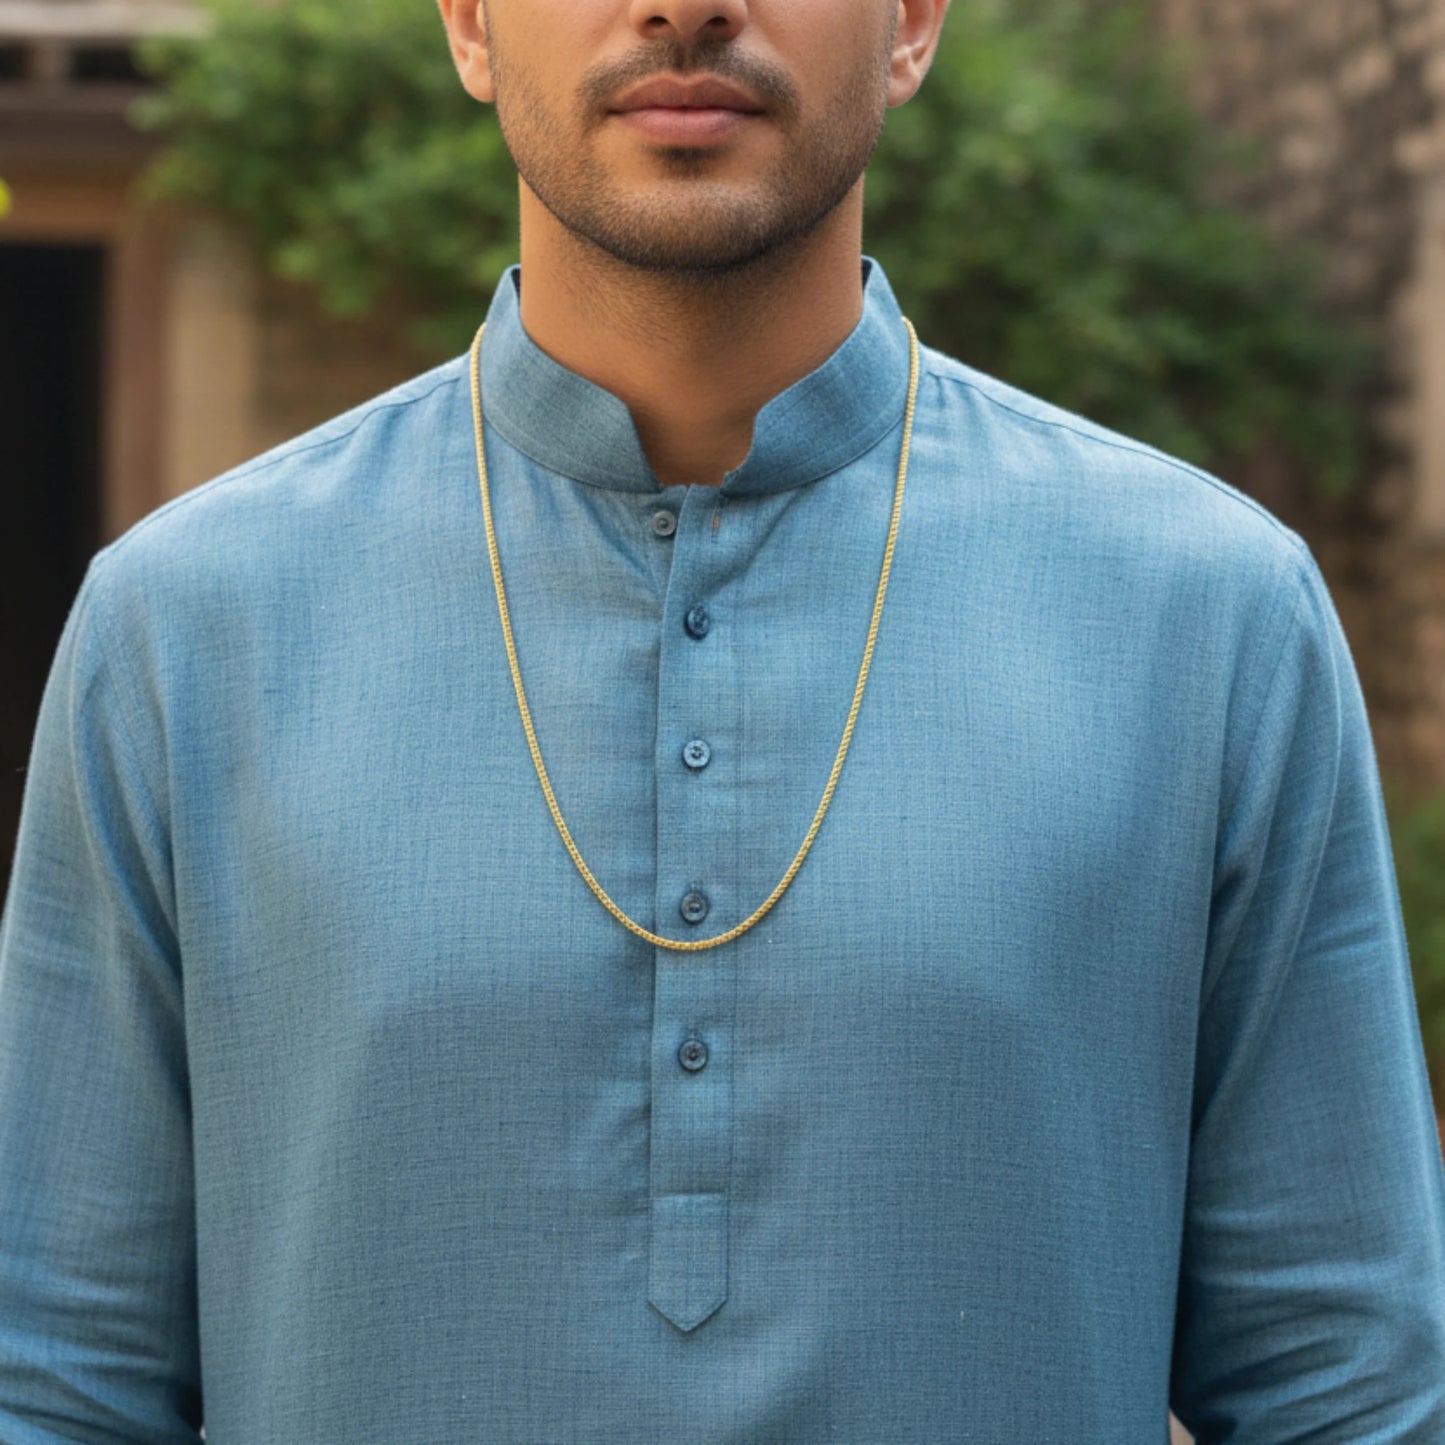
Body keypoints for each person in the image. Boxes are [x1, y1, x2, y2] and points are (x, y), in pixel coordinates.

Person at [2, 0, 1443, 1438]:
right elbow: (58, 1374)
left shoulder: (1208, 617)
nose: (685, 6)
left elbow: (1350, 1384)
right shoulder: (184, 631)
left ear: (912, 24)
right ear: (469, 23)